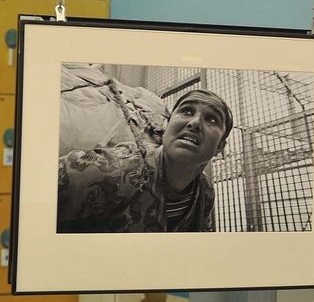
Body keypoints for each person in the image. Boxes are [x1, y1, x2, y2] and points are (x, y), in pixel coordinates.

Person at [57, 89, 233, 232]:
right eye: (186, 111)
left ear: (219, 147)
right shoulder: (113, 169)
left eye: (211, 119)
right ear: (166, 127)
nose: (194, 123)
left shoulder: (205, 191)